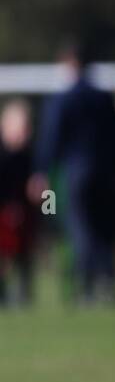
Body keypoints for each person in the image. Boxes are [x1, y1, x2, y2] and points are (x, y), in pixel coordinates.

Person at [30, 43, 115, 302]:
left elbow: (51, 139)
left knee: (81, 228)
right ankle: (107, 280)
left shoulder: (63, 100)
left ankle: (86, 284)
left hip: (76, 174)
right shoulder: (104, 98)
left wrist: (41, 171)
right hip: (104, 173)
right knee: (102, 227)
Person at [0, 98, 37, 306]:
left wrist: (47, 211)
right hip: (5, 212)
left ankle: (24, 294)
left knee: (24, 254)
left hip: (23, 214)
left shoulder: (31, 155)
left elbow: (46, 194)